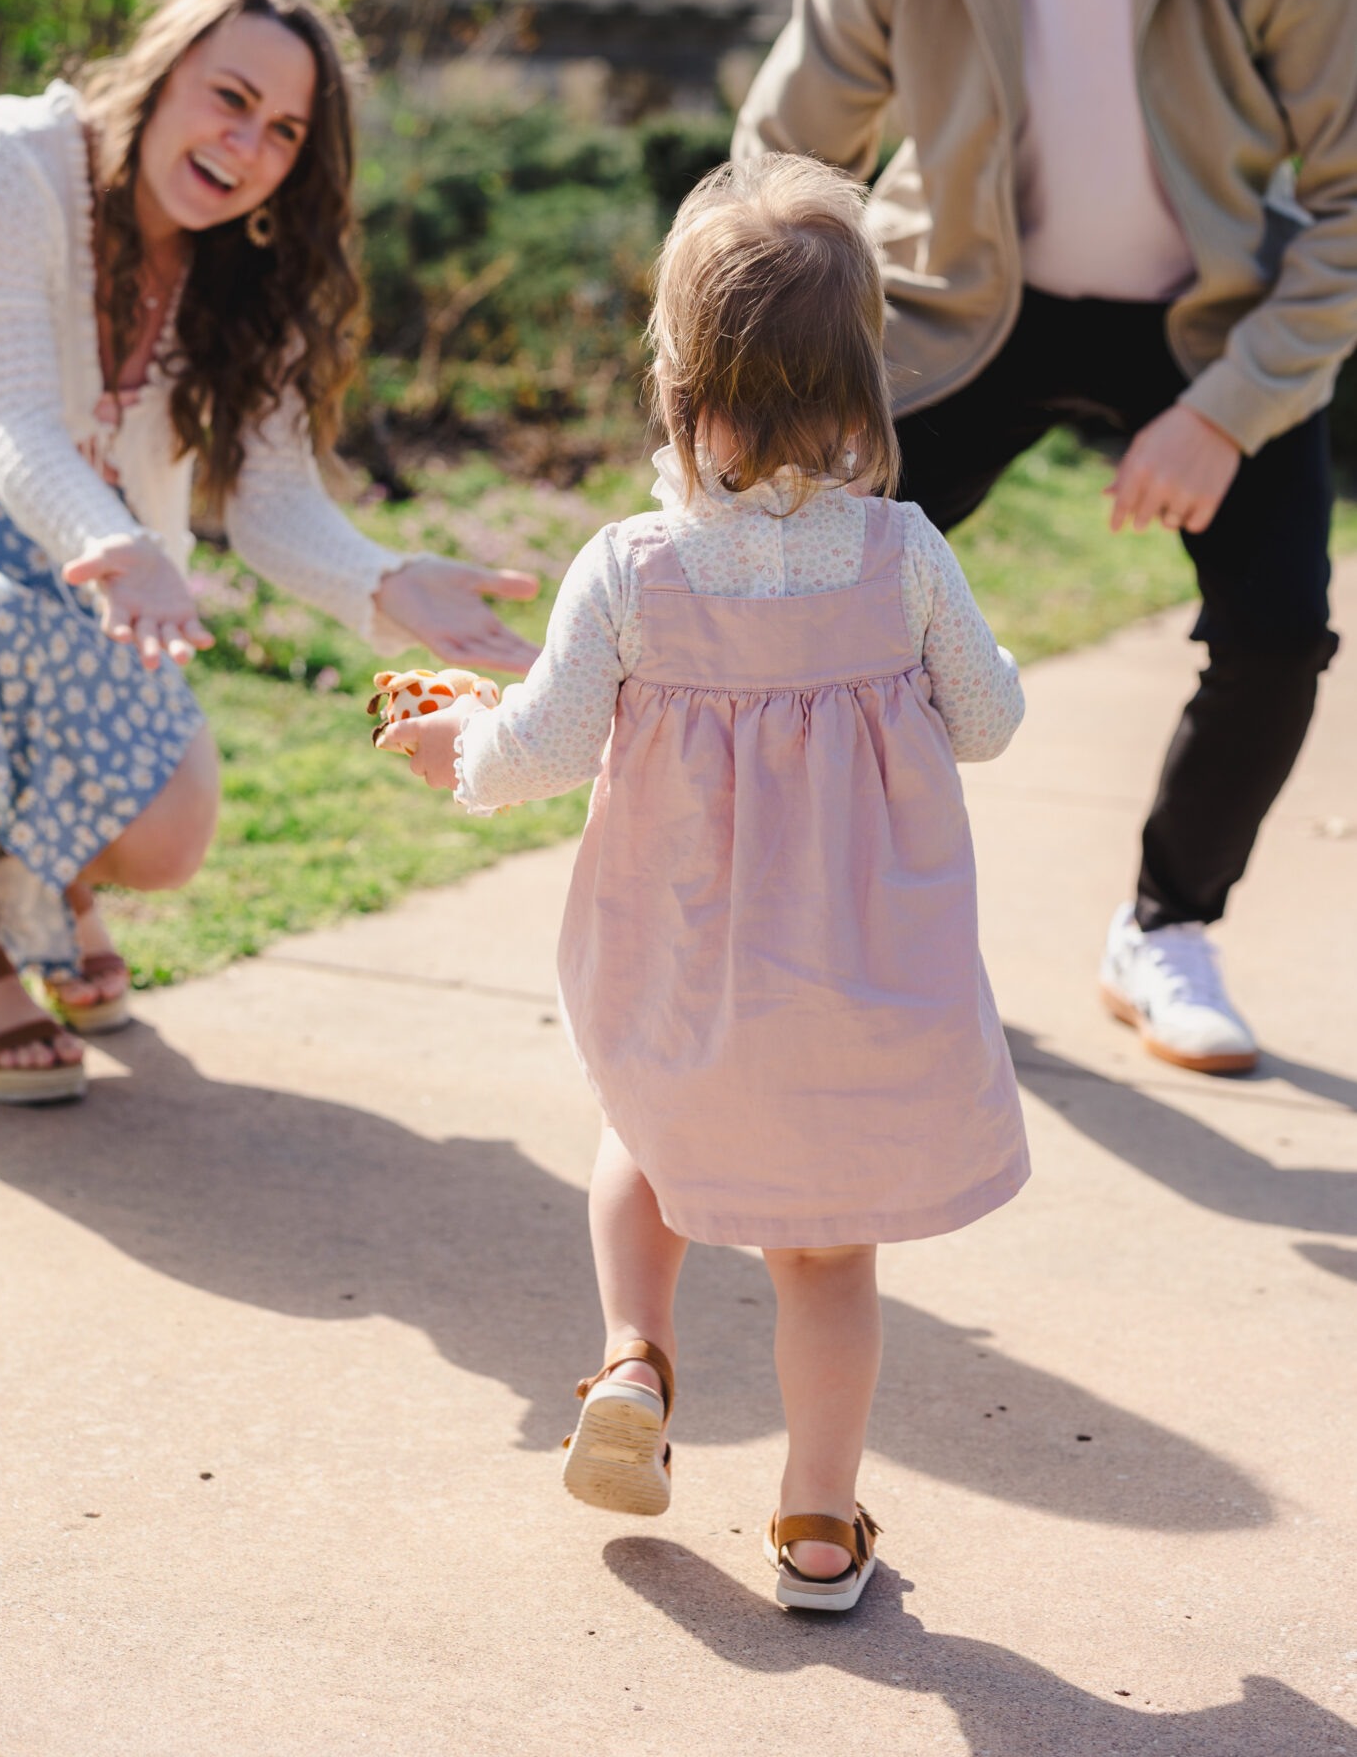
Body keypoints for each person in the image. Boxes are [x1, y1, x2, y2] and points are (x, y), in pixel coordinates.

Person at [735, 0, 1357, 1079]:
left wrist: (1222, 412)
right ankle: (842, 928)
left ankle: (1163, 928)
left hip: (1201, 315)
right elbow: (775, 167)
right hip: (953, 299)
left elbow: (1348, 198)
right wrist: (757, 394)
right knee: (805, 590)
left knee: (1276, 630)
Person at [382, 157, 1027, 1612]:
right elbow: (982, 724)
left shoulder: (628, 568)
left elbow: (538, 744)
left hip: (683, 973)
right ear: (863, 386)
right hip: (857, 995)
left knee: (646, 1143)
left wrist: (455, 750)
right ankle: (812, 1528)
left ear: (675, 382)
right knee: (824, 1259)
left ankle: (629, 1358)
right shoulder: (904, 558)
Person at [0, 0, 540, 1103]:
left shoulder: (239, 266)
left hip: (72, 592)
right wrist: (119, 548)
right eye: (229, 96)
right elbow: (12, 416)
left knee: (167, 832)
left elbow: (269, 495)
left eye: (284, 130)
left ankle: (40, 867)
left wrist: (389, 581)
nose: (247, 142)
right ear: (160, 72)